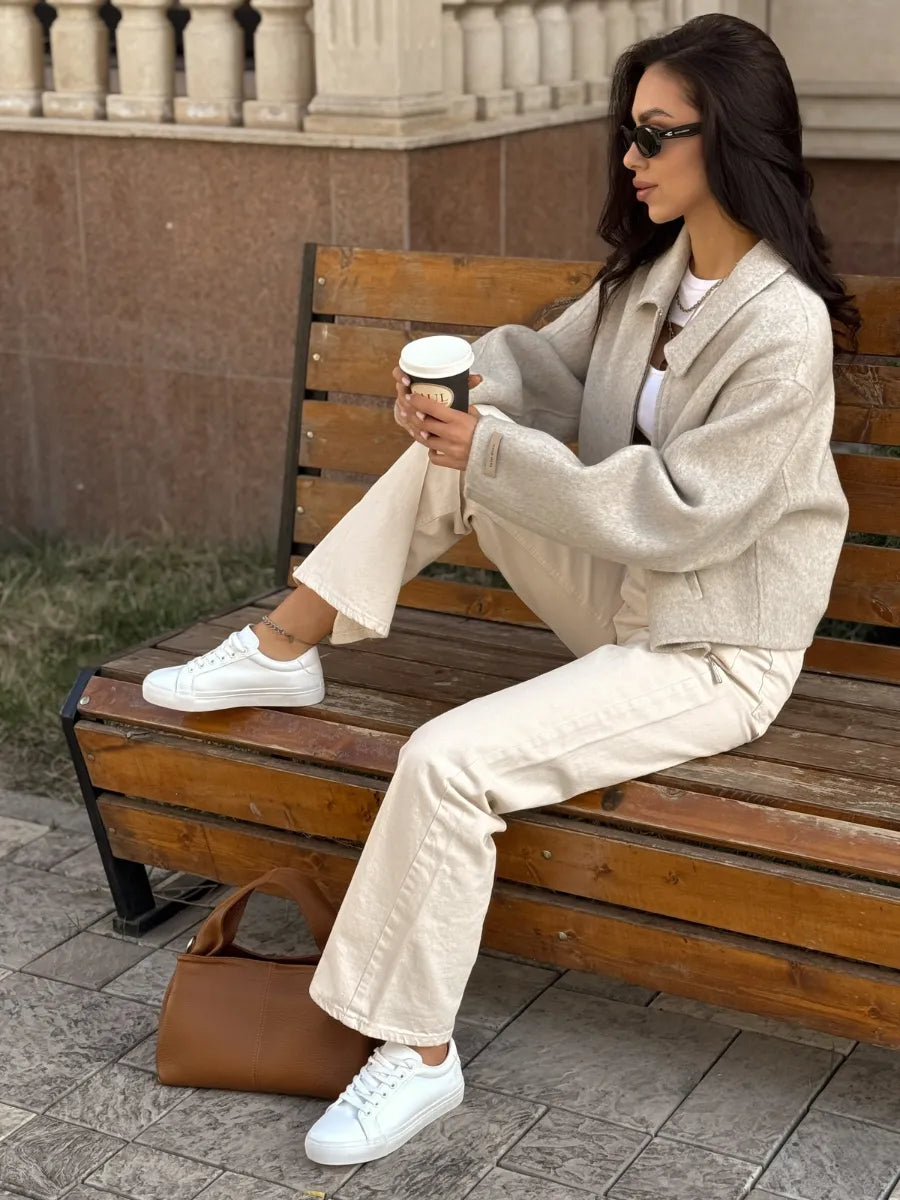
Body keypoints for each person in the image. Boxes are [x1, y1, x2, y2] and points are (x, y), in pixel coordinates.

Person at [141, 12, 858, 1168]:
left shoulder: (784, 328)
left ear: (728, 139)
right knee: (457, 456)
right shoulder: (660, 273)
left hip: (714, 648)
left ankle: (417, 1052)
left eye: (654, 134)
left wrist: (494, 450)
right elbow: (545, 365)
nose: (629, 156)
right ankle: (283, 646)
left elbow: (688, 510)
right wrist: (460, 388)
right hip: (630, 596)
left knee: (447, 760)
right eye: (628, 131)